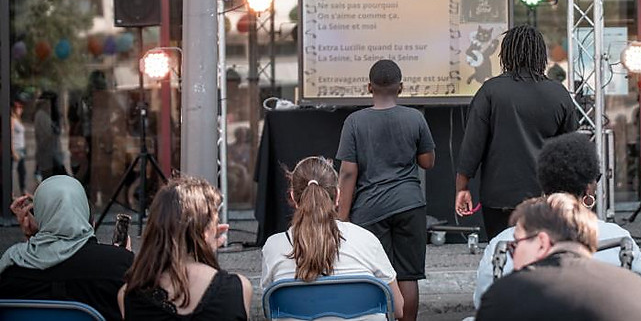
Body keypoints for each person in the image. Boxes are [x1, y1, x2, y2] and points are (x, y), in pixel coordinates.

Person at [473, 132, 641, 308]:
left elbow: (483, 299)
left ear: (543, 183)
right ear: (589, 189)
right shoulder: (618, 240)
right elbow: (640, 290)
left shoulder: (503, 242)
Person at [455, 25, 579, 239]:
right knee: (544, 250)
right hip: (545, 194)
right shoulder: (558, 93)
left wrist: (462, 187)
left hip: (498, 195)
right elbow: (572, 148)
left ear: (507, 54)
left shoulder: (490, 91)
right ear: (541, 55)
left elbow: (472, 145)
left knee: (503, 253)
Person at [337, 60, 435, 321]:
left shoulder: (354, 122)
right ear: (401, 88)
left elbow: (348, 172)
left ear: (369, 87)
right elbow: (428, 162)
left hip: (369, 210)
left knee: (373, 275)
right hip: (409, 204)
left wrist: (342, 218)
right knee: (408, 275)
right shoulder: (415, 118)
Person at [476, 193, 641, 321]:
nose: (513, 254)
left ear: (542, 243)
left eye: (516, 244)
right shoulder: (639, 290)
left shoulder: (508, 294)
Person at [262, 155, 404, 319]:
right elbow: (398, 309)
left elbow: (270, 308)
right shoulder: (366, 239)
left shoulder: (273, 247)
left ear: (294, 197)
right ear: (337, 195)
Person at [0, 176, 133, 321]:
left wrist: (32, 237)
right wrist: (125, 264)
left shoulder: (11, 264)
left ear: (40, 219)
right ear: (89, 219)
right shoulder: (117, 265)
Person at [119, 176, 252, 320]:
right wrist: (204, 250)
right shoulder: (238, 289)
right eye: (215, 221)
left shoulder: (128, 295)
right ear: (204, 230)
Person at [11, 98, 26, 195]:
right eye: (18, 107)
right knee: (12, 172)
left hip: (22, 149)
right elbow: (10, 136)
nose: (20, 109)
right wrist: (13, 152)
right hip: (16, 149)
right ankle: (10, 192)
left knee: (22, 172)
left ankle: (23, 190)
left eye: (21, 107)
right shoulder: (12, 120)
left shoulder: (18, 119)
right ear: (14, 109)